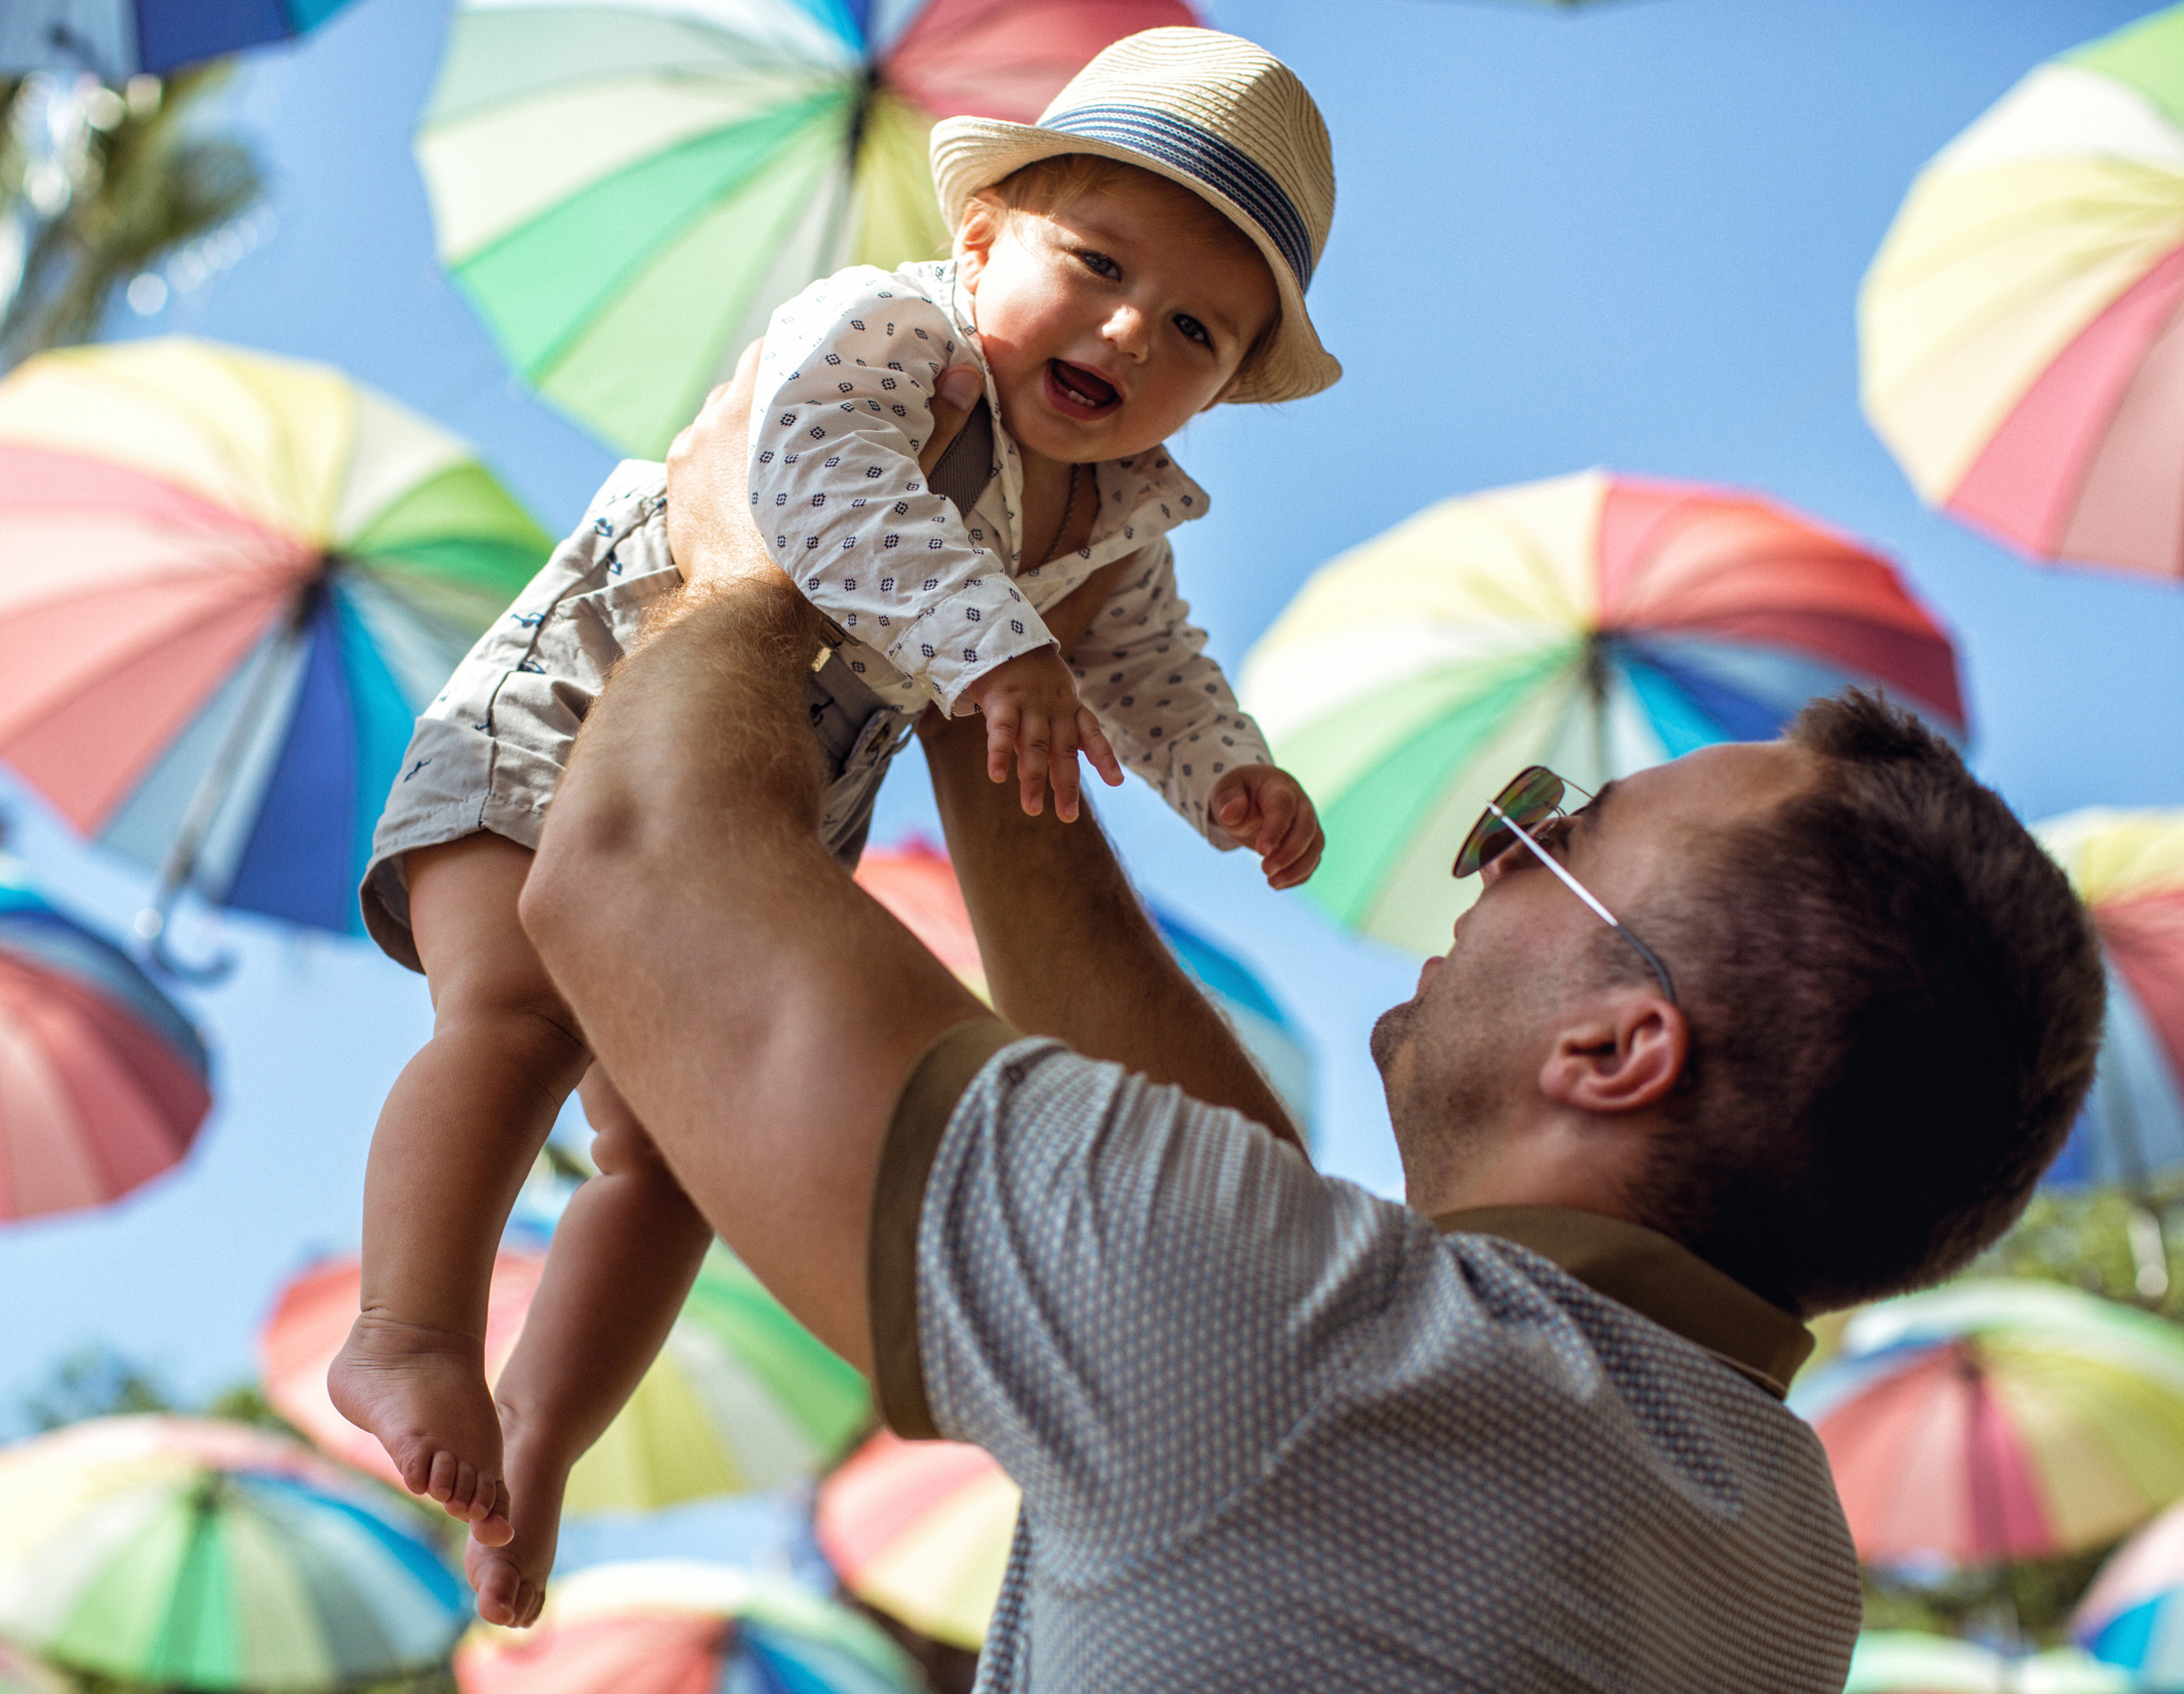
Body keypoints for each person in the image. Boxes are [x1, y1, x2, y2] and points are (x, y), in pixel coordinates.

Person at [500, 340, 2111, 1683]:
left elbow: (634, 868)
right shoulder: (1780, 1552)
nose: (1484, 869)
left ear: (1619, 1047)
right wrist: (984, 639)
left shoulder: (1290, 1356)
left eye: (1545, 831)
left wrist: (754, 549)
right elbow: (1236, 1202)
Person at [330, 24, 1339, 1619]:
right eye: (1096, 262)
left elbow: (1149, 660)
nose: (1133, 329)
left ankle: (539, 1430)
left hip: (765, 796)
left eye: (1198, 330)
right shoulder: (884, 333)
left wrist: (1225, 769)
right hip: (579, 703)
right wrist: (996, 642)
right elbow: (808, 480)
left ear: (1223, 391)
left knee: (670, 1154)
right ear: (984, 233)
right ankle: (409, 1328)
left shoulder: (1120, 508)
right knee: (513, 1011)